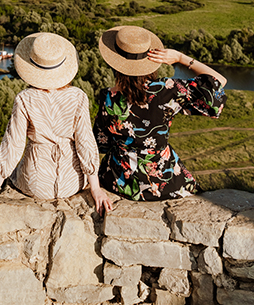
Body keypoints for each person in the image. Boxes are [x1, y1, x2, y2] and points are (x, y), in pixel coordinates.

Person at [0, 32, 113, 215]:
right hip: (72, 183)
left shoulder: (24, 98)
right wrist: (95, 189)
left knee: (12, 171)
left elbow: (13, 145)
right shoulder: (79, 97)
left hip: (35, 184)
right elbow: (85, 142)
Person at [94, 25, 227, 201]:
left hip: (119, 182)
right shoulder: (168, 90)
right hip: (163, 182)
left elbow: (101, 144)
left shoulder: (107, 98)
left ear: (115, 64)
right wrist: (181, 58)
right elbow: (219, 83)